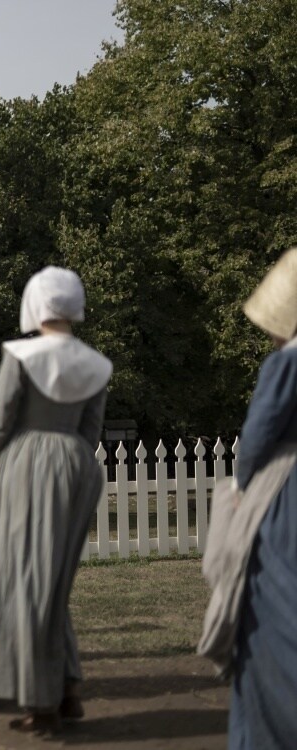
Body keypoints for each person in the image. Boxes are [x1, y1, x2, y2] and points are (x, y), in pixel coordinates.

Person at [0, 267, 111, 735]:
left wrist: (3, 459)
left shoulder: (21, 355)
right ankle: (66, 685)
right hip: (77, 464)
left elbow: (1, 422)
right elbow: (91, 430)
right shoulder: (95, 364)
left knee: (24, 577)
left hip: (27, 461)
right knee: (54, 581)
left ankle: (41, 699)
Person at [217, 248, 297, 749]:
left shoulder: (287, 363)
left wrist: (244, 489)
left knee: (273, 605)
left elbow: (258, 435)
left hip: (287, 492)